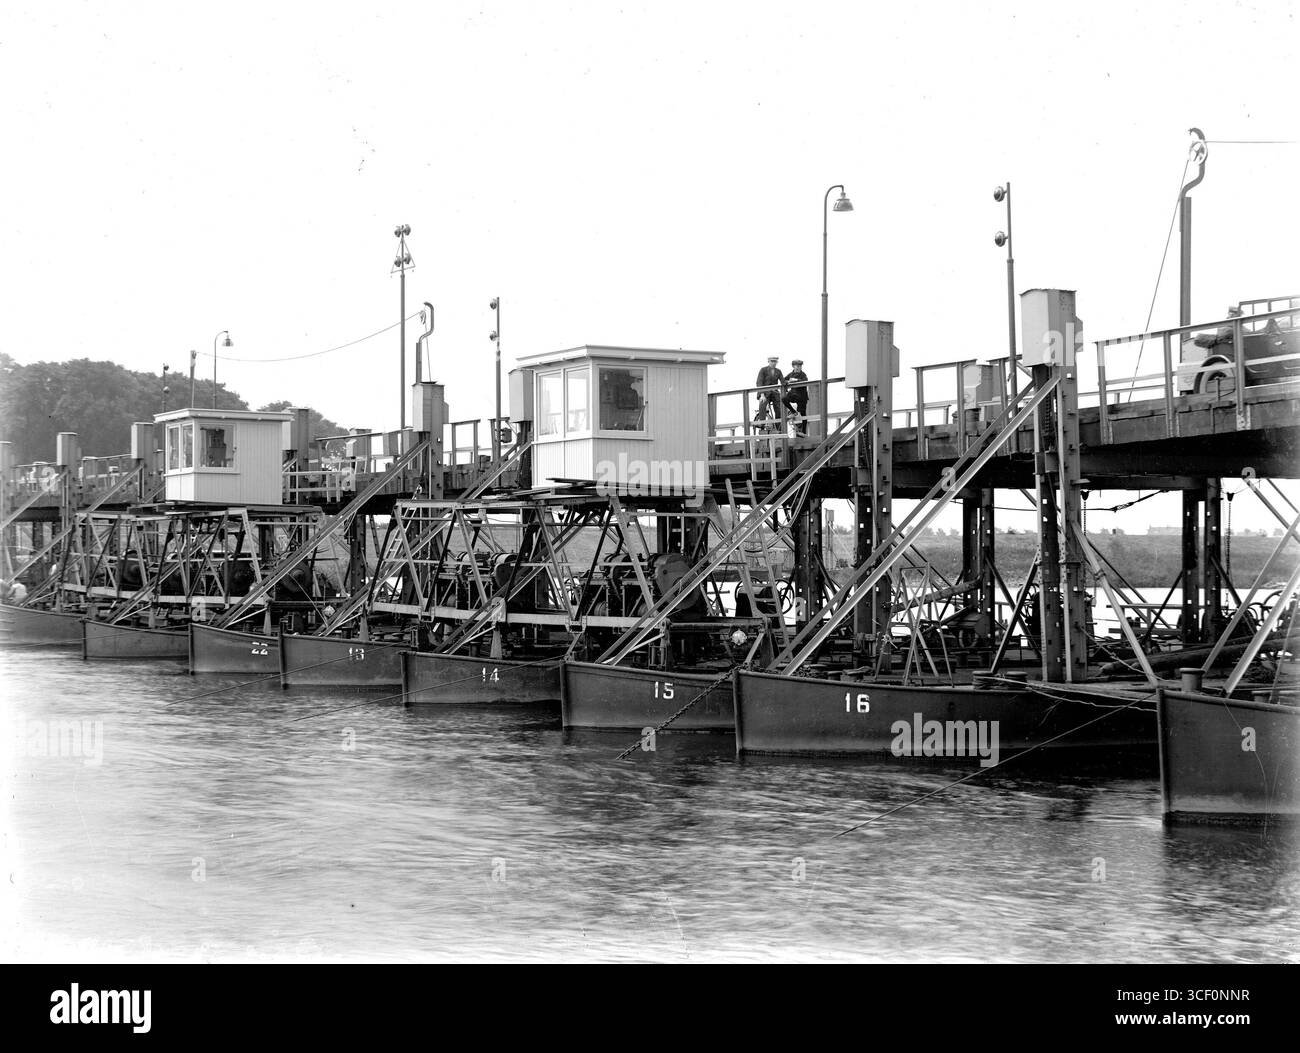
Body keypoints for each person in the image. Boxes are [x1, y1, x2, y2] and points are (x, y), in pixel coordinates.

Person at [754, 356, 784, 428]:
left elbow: (783, 381)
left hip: (774, 393)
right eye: (772, 361)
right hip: (764, 392)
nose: (773, 363)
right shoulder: (763, 370)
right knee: (762, 403)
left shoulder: (778, 371)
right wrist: (762, 394)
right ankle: (762, 423)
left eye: (775, 361)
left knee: (779, 407)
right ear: (768, 361)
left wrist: (789, 381)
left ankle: (778, 426)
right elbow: (759, 382)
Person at [783, 358, 809, 435]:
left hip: (802, 396)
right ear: (793, 366)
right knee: (784, 399)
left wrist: (795, 380)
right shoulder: (790, 374)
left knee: (803, 414)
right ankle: (793, 412)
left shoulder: (803, 374)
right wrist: (788, 381)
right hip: (794, 394)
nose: (798, 367)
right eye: (796, 366)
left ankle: (803, 432)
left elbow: (805, 381)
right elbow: (784, 380)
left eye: (799, 366)